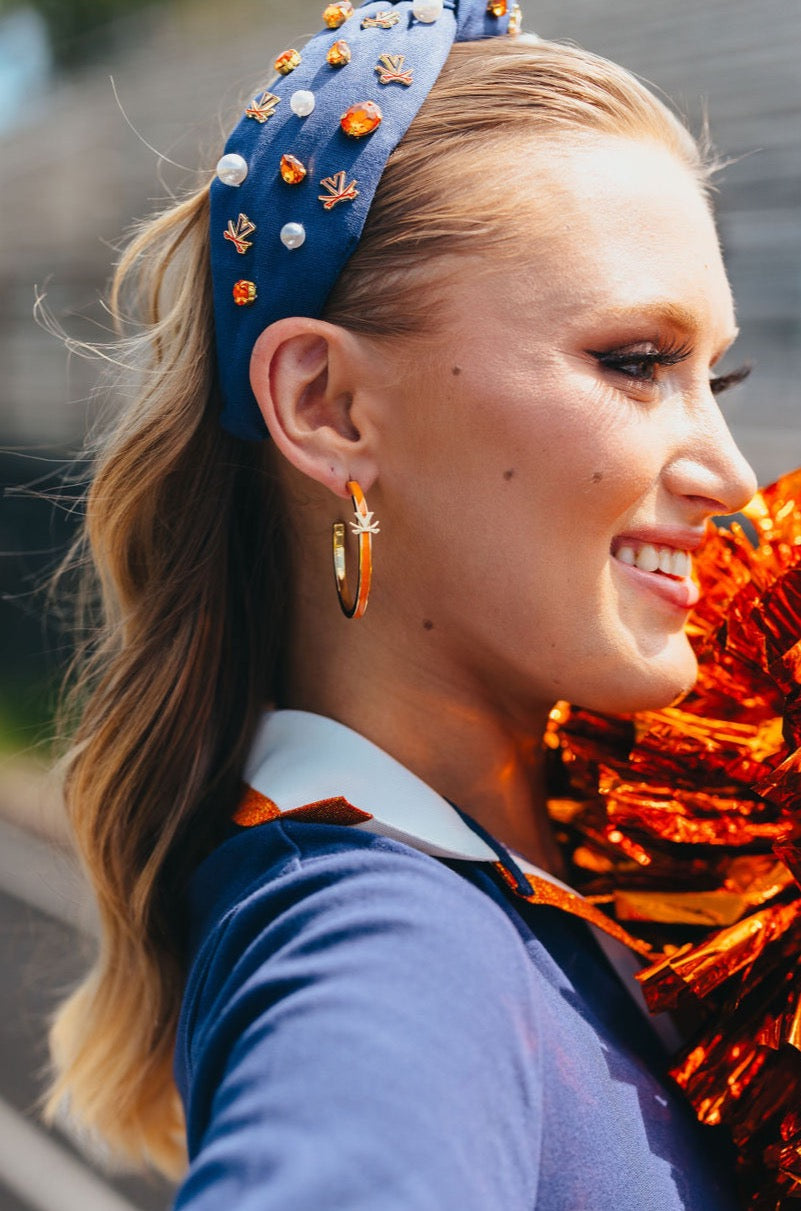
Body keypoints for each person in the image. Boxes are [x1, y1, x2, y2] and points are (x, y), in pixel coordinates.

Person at [45, 0, 762, 1206]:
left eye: (718, 375)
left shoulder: (561, 867)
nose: (733, 472)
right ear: (327, 404)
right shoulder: (384, 936)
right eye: (637, 362)